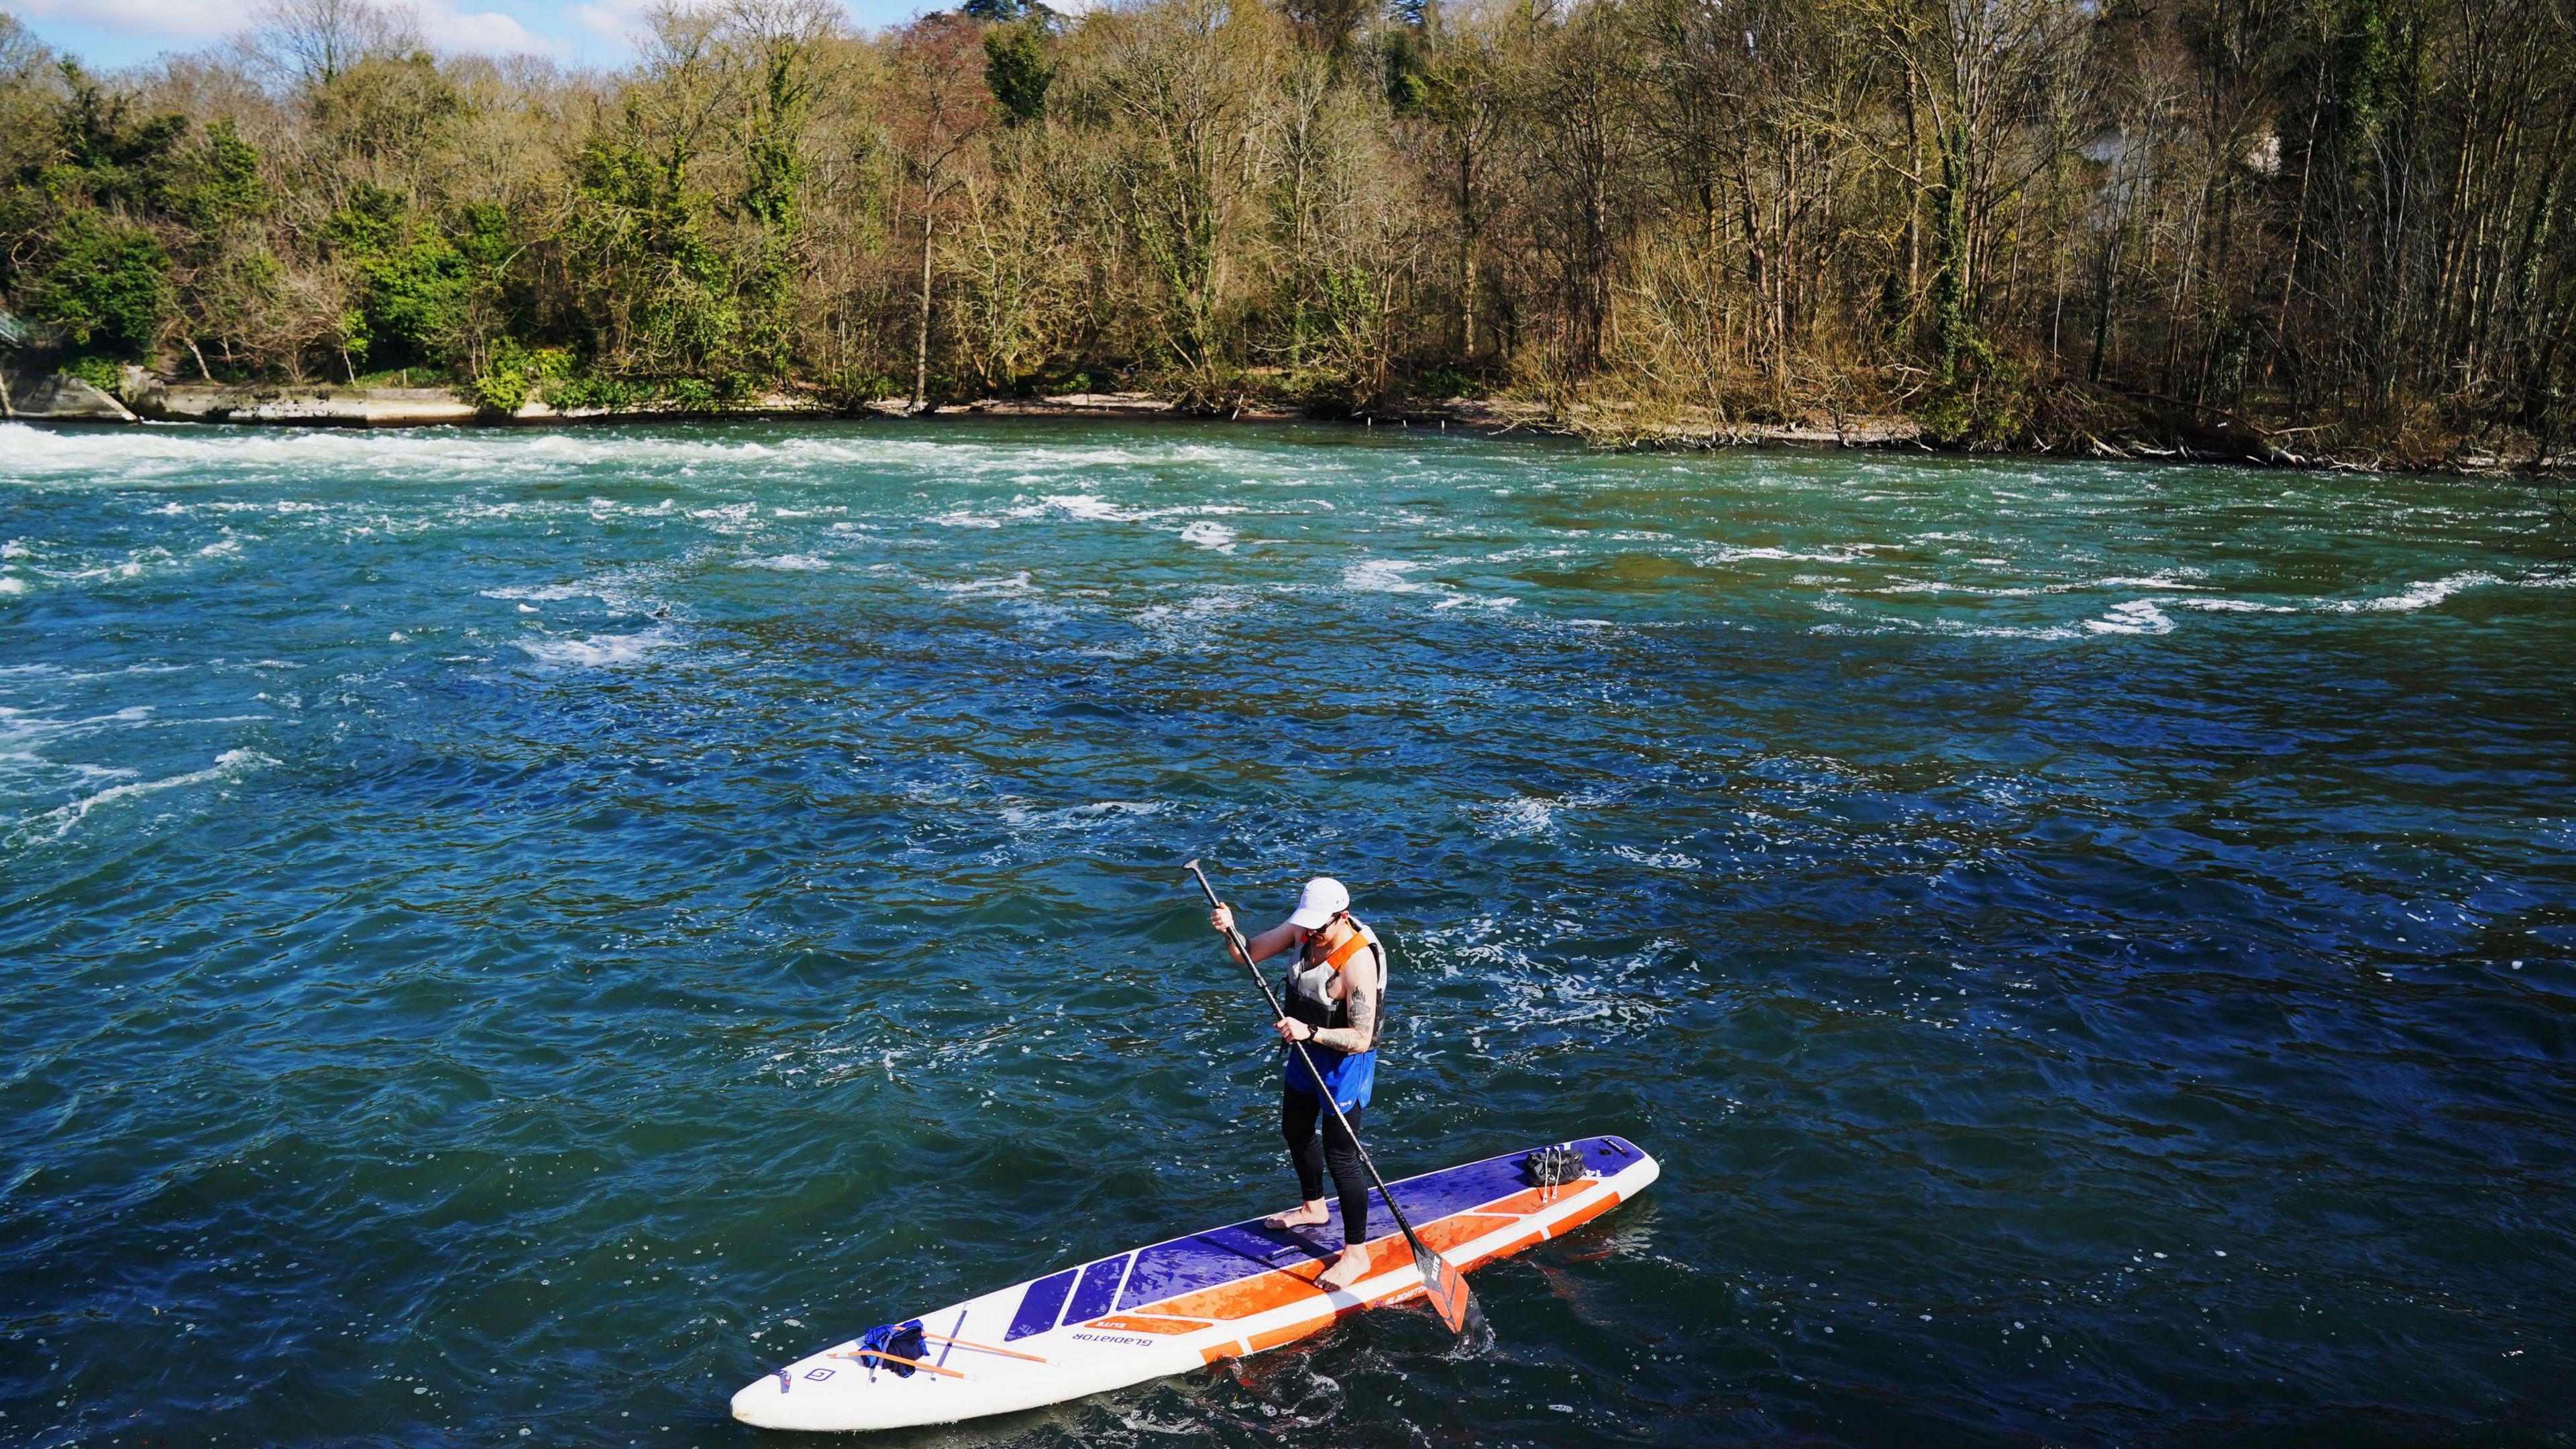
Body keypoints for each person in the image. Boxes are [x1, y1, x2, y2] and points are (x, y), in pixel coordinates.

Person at [1209, 875, 1388, 1292]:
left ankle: (1356, 1254)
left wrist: (1309, 1032)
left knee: (1341, 1157)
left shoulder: (1358, 961)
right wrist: (1229, 928)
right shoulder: (1305, 928)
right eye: (1305, 926)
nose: (1308, 934)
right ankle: (1313, 1208)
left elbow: (1363, 1038)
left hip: (1344, 1062)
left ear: (1341, 917)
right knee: (1295, 1128)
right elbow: (1247, 955)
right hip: (1305, 1048)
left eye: (1318, 928)